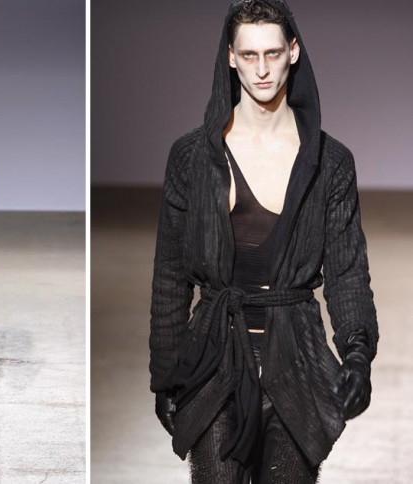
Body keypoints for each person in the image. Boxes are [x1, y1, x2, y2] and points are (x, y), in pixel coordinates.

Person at [149, 1, 378, 482]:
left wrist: (358, 355)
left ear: (293, 52)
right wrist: (164, 375)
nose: (261, 69)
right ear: (230, 57)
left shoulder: (330, 162)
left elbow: (347, 271)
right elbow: (170, 275)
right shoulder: (191, 157)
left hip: (296, 362)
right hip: (212, 361)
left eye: (272, 53)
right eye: (249, 55)